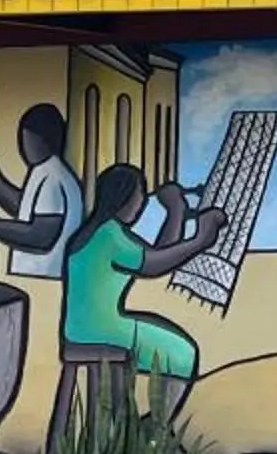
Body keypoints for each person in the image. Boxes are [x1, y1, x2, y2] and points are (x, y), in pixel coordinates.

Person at [60, 164, 222, 411]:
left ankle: (149, 428)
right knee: (181, 353)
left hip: (81, 328)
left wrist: (175, 211)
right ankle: (156, 429)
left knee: (172, 348)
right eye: (141, 195)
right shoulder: (111, 236)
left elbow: (158, 254)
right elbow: (155, 264)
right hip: (104, 329)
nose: (143, 202)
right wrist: (200, 240)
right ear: (125, 197)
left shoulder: (99, 231)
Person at [0, 87, 81, 281]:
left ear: (41, 140)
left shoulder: (53, 177)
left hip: (44, 276)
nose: (23, 147)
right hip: (37, 277)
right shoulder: (44, 171)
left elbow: (41, 236)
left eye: (25, 140)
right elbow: (26, 207)